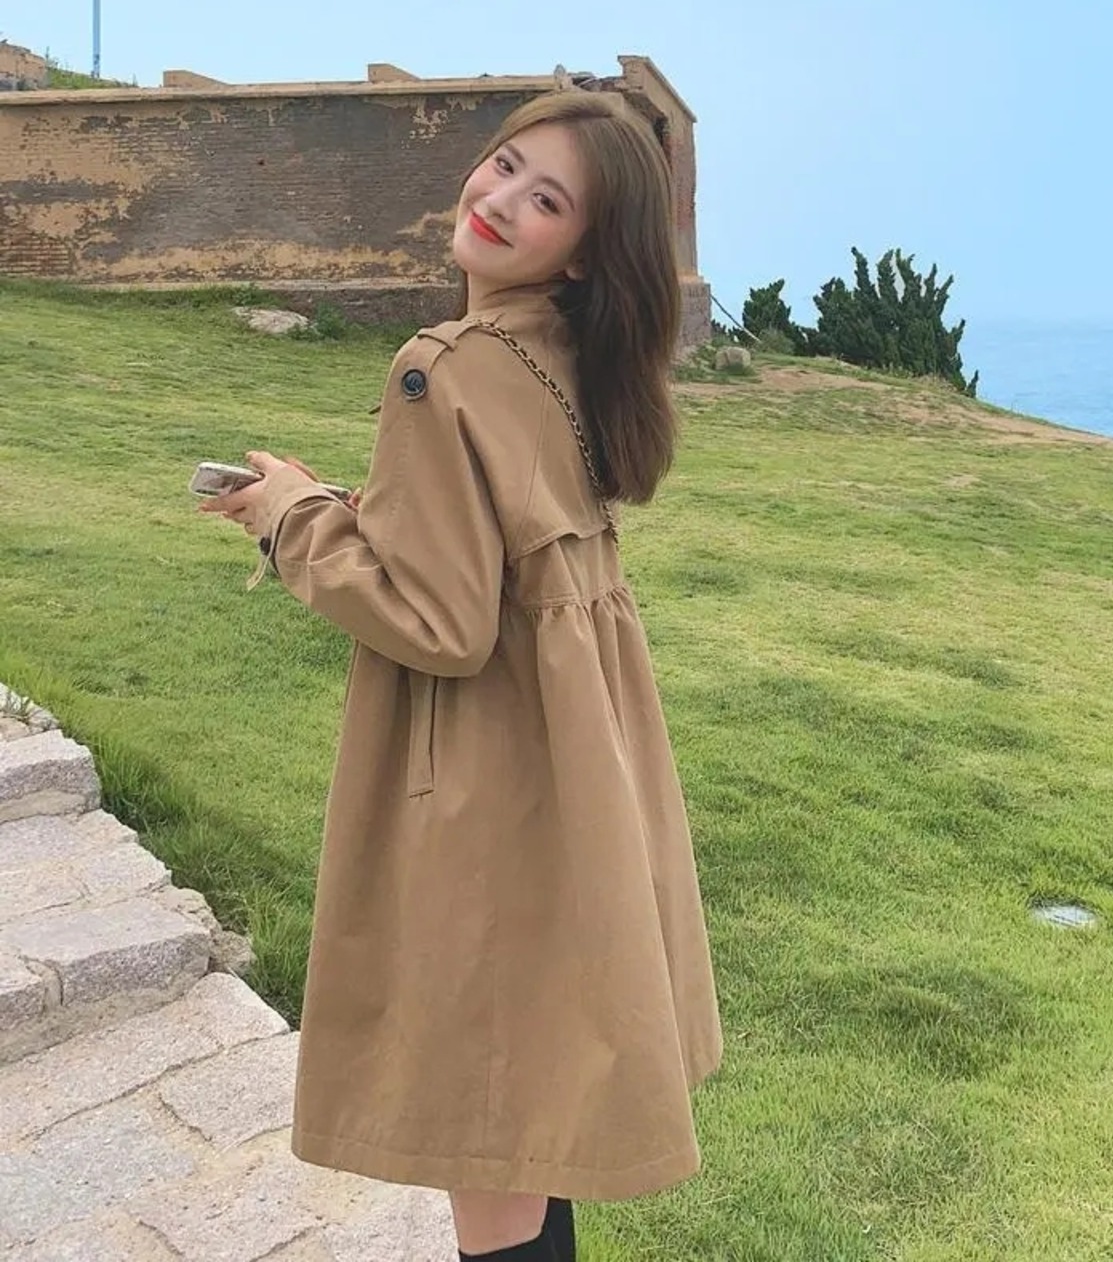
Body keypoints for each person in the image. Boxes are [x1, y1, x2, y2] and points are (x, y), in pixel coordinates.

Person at [199, 89, 723, 1261]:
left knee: (485, 1138)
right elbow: (480, 559)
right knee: (531, 1116)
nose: (501, 199)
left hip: (485, 786)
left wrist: (286, 520)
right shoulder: (567, 360)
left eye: (547, 199)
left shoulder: (441, 366)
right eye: (505, 165)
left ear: (580, 251)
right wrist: (333, 501)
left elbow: (437, 622)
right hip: (576, 768)